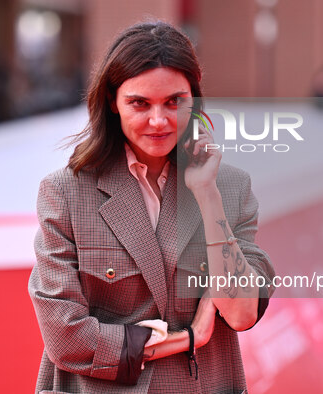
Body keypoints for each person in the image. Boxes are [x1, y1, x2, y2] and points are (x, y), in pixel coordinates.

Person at [28, 21, 275, 393]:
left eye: (174, 102)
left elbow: (241, 314)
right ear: (113, 101)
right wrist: (188, 338)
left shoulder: (230, 186)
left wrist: (207, 196)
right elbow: (65, 337)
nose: (158, 121)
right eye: (140, 103)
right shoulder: (66, 193)